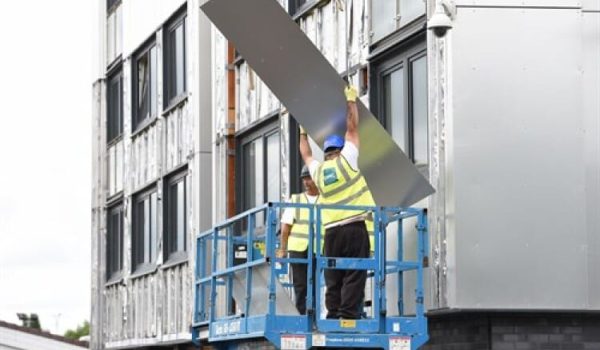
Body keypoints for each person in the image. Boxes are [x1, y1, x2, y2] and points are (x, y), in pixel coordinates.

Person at [298, 85, 376, 320]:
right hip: (354, 228)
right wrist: (350, 100)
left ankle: (333, 314)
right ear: (340, 149)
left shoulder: (319, 172)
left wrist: (303, 132)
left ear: (327, 152)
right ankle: (348, 315)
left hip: (330, 233)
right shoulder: (348, 160)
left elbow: (306, 154)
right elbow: (352, 127)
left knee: (333, 275)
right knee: (354, 272)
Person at [277, 165, 319, 315]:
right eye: (304, 179)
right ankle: (302, 316)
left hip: (318, 249)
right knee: (301, 285)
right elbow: (285, 227)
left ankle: (313, 316)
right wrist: (283, 249)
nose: (307, 182)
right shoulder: (297, 199)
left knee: (315, 284)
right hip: (298, 249)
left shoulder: (325, 200)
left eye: (310, 178)